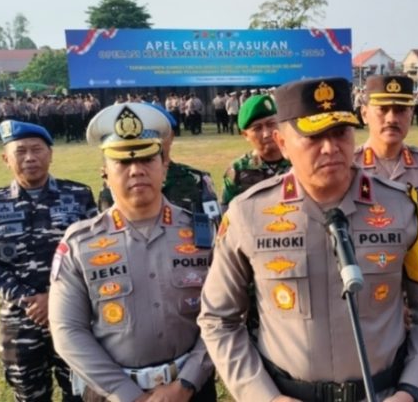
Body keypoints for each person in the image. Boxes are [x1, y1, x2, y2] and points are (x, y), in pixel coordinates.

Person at [198, 77, 418, 402]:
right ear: (282, 142)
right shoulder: (248, 214)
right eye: (314, 136)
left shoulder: (403, 207)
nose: (331, 147)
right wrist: (261, 396)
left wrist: (413, 390)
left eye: (340, 132)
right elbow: (219, 319)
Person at [48, 103, 216, 402]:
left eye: (148, 158)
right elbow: (67, 330)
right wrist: (127, 394)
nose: (136, 170)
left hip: (192, 391)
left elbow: (223, 314)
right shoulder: (80, 242)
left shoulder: (203, 233)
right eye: (122, 162)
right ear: (105, 174)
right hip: (111, 394)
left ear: (164, 166)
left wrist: (187, 383)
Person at [0, 120, 97, 401]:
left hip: (73, 316)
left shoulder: (80, 195)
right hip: (19, 323)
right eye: (20, 151)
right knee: (29, 396)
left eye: (37, 149)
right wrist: (28, 299)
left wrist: (55, 298)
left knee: (81, 393)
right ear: (5, 159)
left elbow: (96, 250)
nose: (30, 157)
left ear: (50, 153)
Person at [96, 104, 221, 235]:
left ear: (171, 135)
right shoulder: (115, 185)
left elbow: (215, 228)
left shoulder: (196, 179)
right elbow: (104, 227)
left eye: (159, 135)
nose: (137, 170)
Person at [355, 75, 418, 224]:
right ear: (364, 114)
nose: (391, 119)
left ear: (411, 114)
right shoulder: (348, 166)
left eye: (400, 110)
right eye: (382, 109)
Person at [221, 93, 291, 212]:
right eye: (257, 128)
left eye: (271, 124)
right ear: (245, 135)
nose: (267, 133)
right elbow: (227, 216)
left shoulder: (298, 160)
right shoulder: (237, 170)